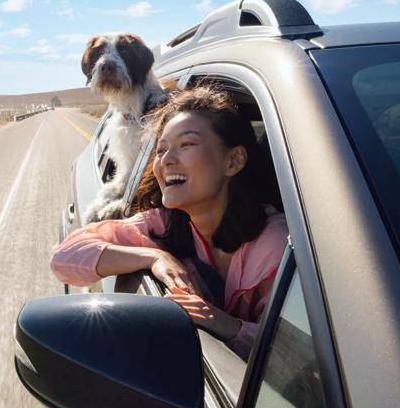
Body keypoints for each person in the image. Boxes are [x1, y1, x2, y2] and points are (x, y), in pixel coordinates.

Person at [50, 85, 289, 360]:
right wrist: (154, 257)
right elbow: (64, 257)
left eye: (186, 144)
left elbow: (302, 366)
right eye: (161, 150)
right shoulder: (165, 223)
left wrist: (228, 326)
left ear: (234, 161)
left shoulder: (278, 249)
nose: (166, 161)